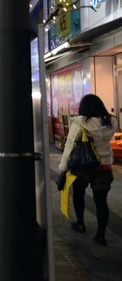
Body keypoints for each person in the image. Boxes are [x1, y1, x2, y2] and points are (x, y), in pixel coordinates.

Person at [60, 94, 116, 246]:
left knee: (78, 195)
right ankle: (101, 235)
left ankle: (80, 223)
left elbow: (69, 146)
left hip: (82, 167)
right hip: (103, 167)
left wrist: (63, 168)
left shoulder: (80, 123)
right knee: (101, 201)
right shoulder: (110, 122)